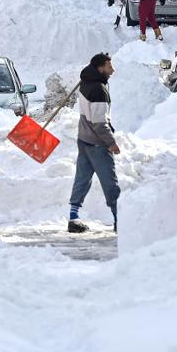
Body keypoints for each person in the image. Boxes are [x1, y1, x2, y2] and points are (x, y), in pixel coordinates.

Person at [68, 53, 120, 233]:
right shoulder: (98, 89)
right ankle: (119, 219)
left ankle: (73, 218)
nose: (112, 70)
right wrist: (111, 143)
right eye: (109, 66)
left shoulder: (86, 82)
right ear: (100, 68)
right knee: (109, 182)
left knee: (82, 178)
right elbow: (99, 122)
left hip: (83, 138)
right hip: (97, 143)